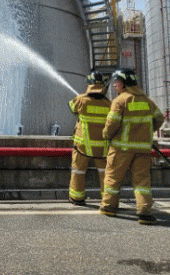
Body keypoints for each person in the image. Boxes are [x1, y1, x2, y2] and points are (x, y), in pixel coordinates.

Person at [99, 68, 164, 225]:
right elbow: (159, 119)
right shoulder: (148, 101)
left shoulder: (120, 101)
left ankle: (109, 207)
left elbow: (112, 124)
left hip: (121, 149)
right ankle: (145, 212)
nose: (115, 85)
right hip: (143, 149)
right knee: (142, 181)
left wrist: (106, 135)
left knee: (113, 178)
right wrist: (146, 132)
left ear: (124, 83)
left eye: (117, 82)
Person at [67, 70, 111, 205]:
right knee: (105, 173)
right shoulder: (109, 104)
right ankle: (108, 200)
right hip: (102, 148)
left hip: (82, 147)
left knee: (78, 171)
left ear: (89, 84)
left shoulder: (81, 100)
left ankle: (77, 198)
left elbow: (71, 107)